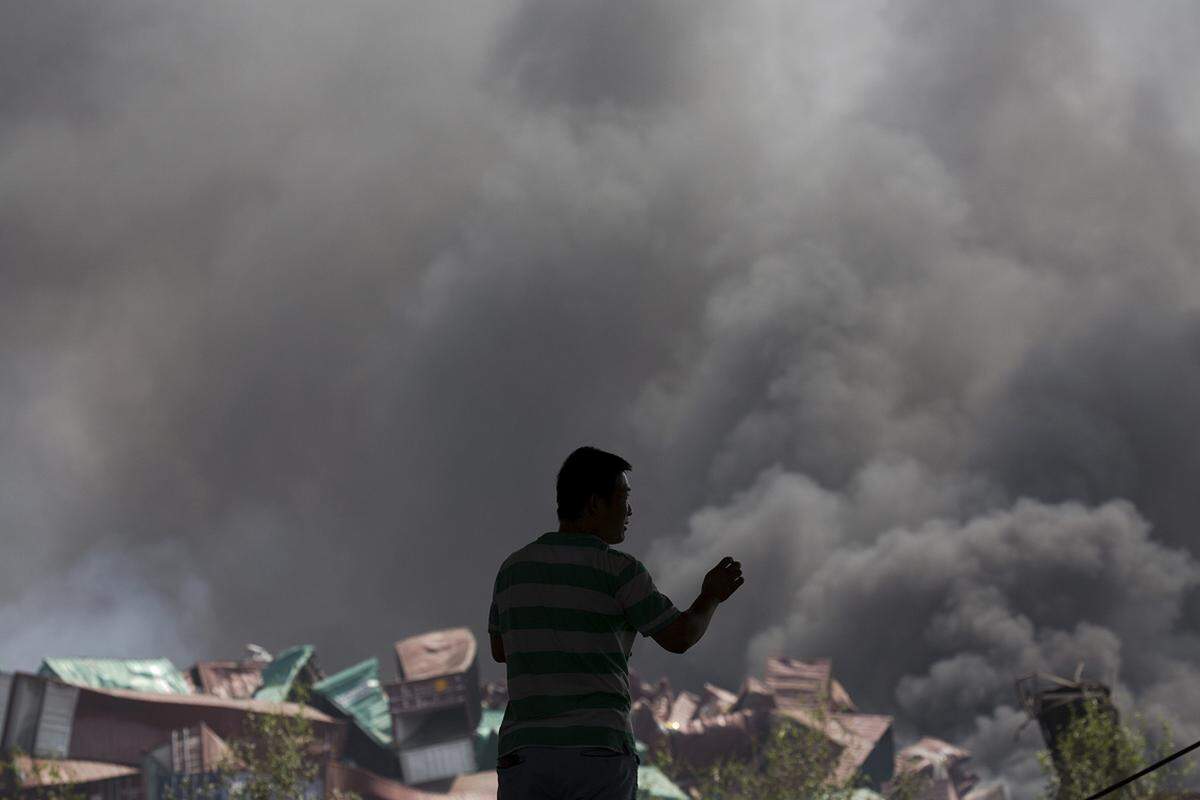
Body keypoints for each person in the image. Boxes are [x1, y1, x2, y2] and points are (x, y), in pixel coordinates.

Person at [487, 446, 745, 799]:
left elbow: (501, 649)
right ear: (595, 504)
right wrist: (711, 596)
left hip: (525, 755)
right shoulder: (620, 571)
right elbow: (680, 636)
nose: (630, 510)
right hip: (597, 754)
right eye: (623, 497)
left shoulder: (513, 570)